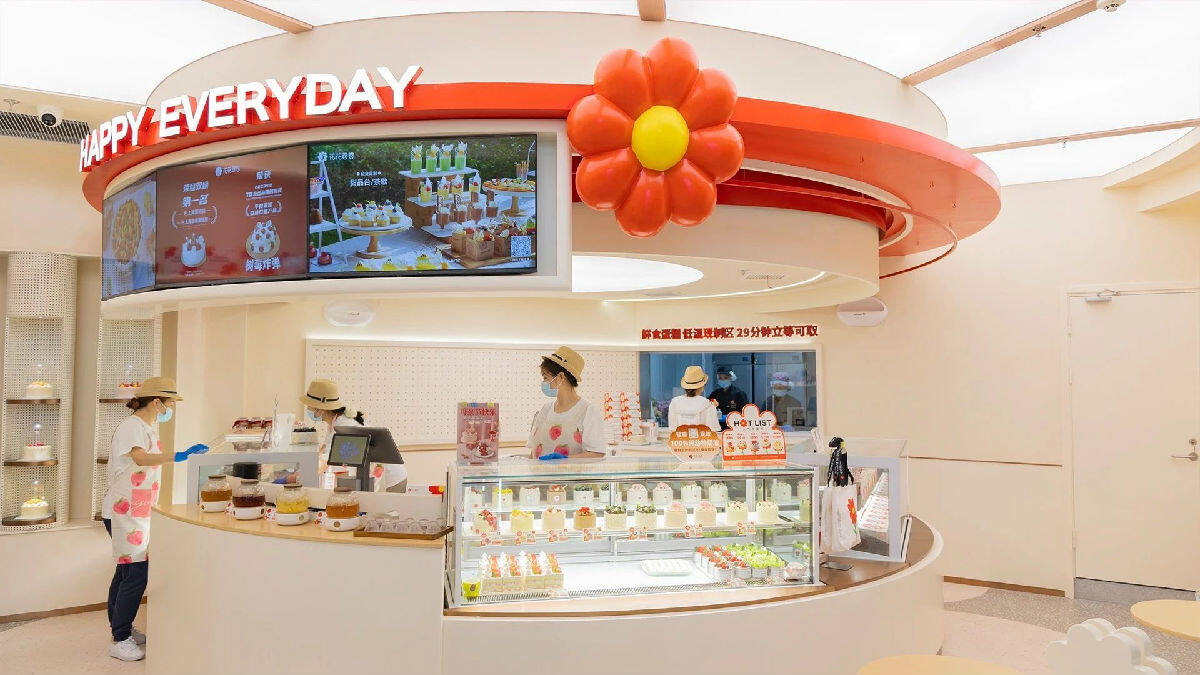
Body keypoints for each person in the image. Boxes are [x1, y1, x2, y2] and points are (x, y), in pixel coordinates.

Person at [102, 377, 208, 662]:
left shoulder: (146, 427)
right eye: (170, 403)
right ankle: (120, 638)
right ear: (157, 402)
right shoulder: (132, 426)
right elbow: (139, 458)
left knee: (125, 572)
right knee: (136, 573)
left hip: (136, 509)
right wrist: (179, 456)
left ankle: (121, 628)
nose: (172, 408)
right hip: (124, 511)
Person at [302, 378, 407, 492]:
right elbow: (324, 450)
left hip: (390, 479)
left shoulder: (343, 425)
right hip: (373, 475)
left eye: (309, 406)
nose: (308, 409)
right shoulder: (335, 421)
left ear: (320, 409)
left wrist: (299, 477)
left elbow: (323, 462)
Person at [528, 346, 607, 459]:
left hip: (571, 471)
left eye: (545, 377)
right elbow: (533, 451)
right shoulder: (546, 410)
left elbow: (597, 453)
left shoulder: (587, 411)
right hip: (541, 471)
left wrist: (564, 461)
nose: (543, 382)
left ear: (560, 377)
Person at [667, 366, 720, 432]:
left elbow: (672, 428)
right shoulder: (708, 404)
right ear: (702, 386)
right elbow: (713, 430)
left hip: (680, 438)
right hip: (702, 438)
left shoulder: (675, 402)